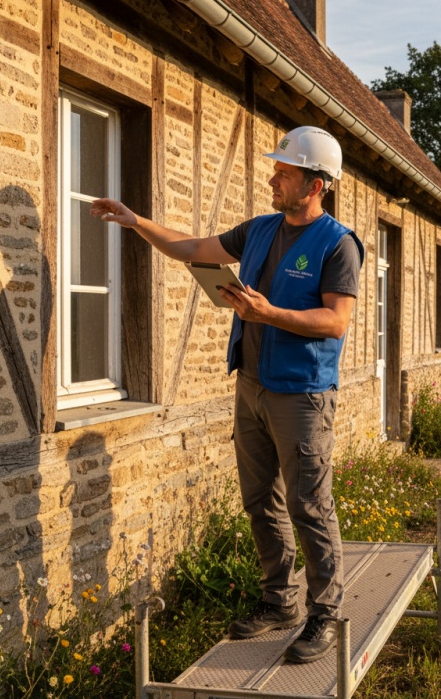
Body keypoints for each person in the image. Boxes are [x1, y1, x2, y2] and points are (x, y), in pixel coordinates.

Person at [91, 126, 364, 663]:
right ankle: (280, 600)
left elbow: (336, 321)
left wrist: (269, 313)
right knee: (261, 499)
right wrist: (137, 221)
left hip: (302, 395)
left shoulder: (338, 244)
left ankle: (325, 613)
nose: (272, 179)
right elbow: (193, 248)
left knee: (310, 504)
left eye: (283, 173)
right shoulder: (259, 230)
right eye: (276, 170)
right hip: (252, 385)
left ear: (315, 184)